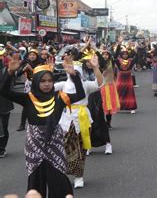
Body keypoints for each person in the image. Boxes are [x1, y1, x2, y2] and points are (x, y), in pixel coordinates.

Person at [1, 54, 85, 198]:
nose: (47, 84)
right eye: (43, 81)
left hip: (55, 143)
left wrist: (74, 75)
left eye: (50, 81)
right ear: (36, 82)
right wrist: (9, 73)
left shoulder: (60, 97)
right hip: (34, 145)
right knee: (35, 182)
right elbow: (3, 91)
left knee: (59, 180)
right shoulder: (28, 98)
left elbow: (80, 94)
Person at [56, 53, 104, 189]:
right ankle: (62, 174)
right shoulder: (62, 85)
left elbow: (100, 84)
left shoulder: (86, 85)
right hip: (65, 122)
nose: (73, 73)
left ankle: (79, 176)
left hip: (82, 120)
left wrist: (95, 68)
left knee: (80, 150)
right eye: (71, 71)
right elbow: (42, 88)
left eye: (76, 71)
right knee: (63, 149)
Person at [114, 37, 138, 113]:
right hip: (120, 78)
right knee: (119, 93)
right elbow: (115, 56)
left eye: (126, 54)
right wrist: (119, 45)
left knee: (129, 93)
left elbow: (136, 56)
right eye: (123, 54)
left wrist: (132, 47)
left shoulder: (131, 61)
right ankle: (118, 107)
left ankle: (132, 107)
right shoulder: (118, 61)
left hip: (128, 79)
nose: (124, 55)